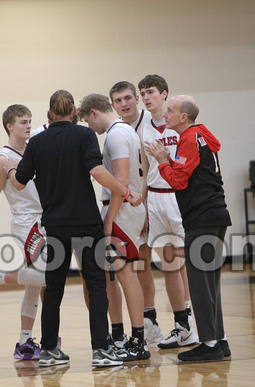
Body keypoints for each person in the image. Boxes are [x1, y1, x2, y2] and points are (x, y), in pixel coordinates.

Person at [4, 90, 140, 368]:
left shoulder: (37, 142)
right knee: (96, 285)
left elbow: (18, 182)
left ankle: (49, 350)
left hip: (54, 225)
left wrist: (9, 170)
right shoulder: (85, 136)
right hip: (86, 223)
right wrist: (125, 191)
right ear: (74, 113)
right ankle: (101, 350)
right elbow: (97, 171)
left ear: (50, 114)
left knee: (53, 289)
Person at [145, 95, 231, 361]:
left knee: (199, 284)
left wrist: (161, 159)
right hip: (215, 215)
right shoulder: (202, 134)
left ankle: (209, 343)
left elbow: (178, 181)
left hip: (202, 217)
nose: (165, 114)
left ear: (183, 117)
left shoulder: (189, 138)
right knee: (209, 283)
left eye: (170, 110)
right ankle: (219, 340)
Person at [0, 104, 47, 361]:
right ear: (9, 126)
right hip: (25, 222)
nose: (28, 126)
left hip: (44, 219)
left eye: (29, 121)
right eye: (23, 122)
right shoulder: (3, 159)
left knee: (34, 285)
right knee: (47, 276)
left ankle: (25, 342)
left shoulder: (34, 148)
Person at [78, 93, 150, 362]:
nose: (89, 127)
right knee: (123, 274)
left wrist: (109, 219)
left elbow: (122, 182)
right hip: (124, 209)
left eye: (87, 120)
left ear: (95, 113)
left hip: (120, 210)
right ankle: (130, 336)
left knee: (127, 275)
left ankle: (138, 340)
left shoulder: (116, 134)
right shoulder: (125, 131)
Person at [138, 75, 198, 349]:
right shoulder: (143, 129)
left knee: (191, 265)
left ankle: (199, 325)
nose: (145, 97)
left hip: (178, 198)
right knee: (169, 267)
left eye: (150, 92)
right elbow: (145, 170)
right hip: (156, 200)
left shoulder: (182, 125)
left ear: (164, 94)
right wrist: (143, 205)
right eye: (142, 93)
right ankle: (182, 326)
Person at [107, 81, 153, 347]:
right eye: (118, 100)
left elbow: (144, 171)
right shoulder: (117, 130)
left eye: (128, 98)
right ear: (112, 104)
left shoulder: (149, 123)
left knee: (169, 263)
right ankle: (148, 322)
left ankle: (182, 319)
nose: (124, 104)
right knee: (136, 267)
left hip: (147, 200)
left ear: (136, 99)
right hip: (134, 203)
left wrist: (144, 202)